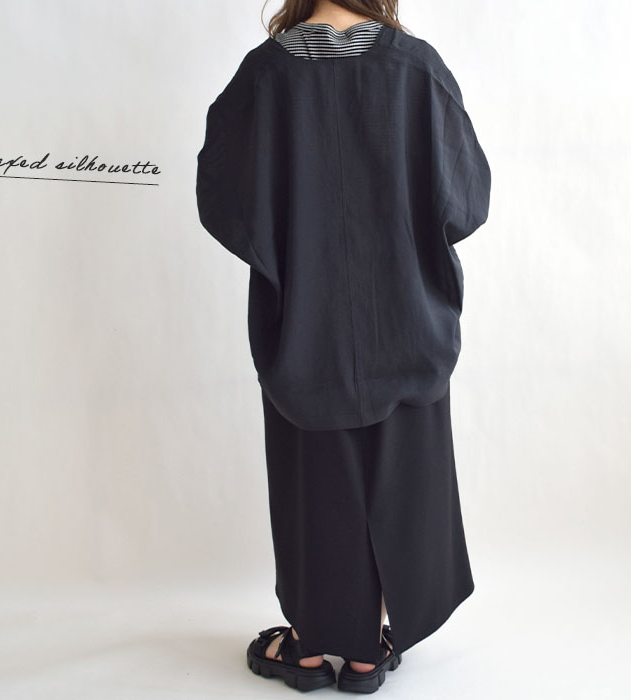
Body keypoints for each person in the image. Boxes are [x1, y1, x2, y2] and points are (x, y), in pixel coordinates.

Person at [195, 0, 491, 693]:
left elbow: (223, 198)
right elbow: (467, 200)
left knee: (316, 483)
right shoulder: (416, 69)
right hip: (406, 319)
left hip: (306, 324)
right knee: (403, 478)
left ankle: (311, 644)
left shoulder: (265, 76)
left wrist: (291, 245)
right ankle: (367, 653)